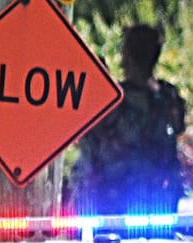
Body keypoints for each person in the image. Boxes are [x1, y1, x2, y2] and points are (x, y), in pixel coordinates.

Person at [68, 24, 185, 216]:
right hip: (156, 197)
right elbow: (178, 129)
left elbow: (89, 141)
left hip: (117, 197)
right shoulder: (167, 96)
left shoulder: (114, 99)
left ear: (127, 55)